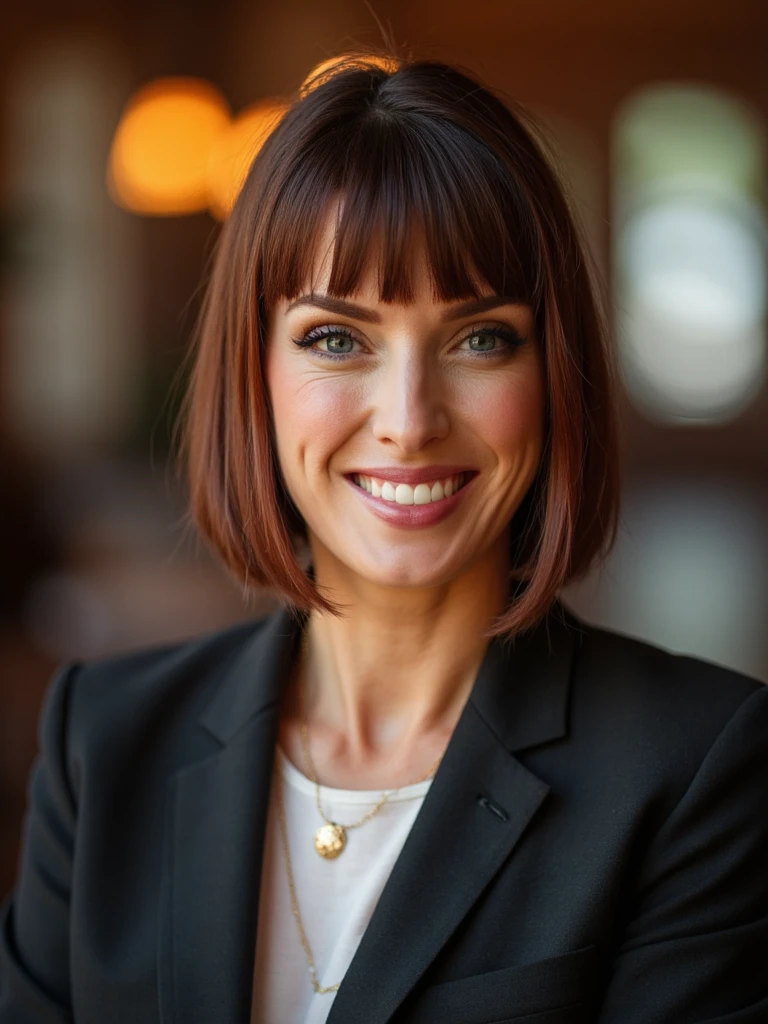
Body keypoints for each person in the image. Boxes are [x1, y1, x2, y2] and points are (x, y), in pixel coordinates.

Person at [1, 53, 766, 1024]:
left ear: (553, 377)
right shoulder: (101, 740)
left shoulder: (698, 768)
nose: (408, 418)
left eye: (480, 336)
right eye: (336, 338)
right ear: (255, 373)